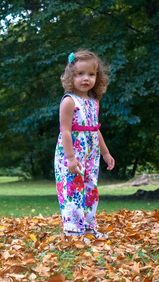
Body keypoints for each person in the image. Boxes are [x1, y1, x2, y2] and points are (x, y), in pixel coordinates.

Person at [54, 50, 115, 239]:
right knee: (73, 188)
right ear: (71, 76)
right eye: (80, 74)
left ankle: (88, 228)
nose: (85, 78)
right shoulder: (69, 101)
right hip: (72, 152)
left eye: (91, 74)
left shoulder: (93, 102)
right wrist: (70, 158)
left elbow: (95, 129)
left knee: (90, 187)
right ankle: (73, 231)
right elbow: (65, 131)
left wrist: (105, 153)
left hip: (91, 152)